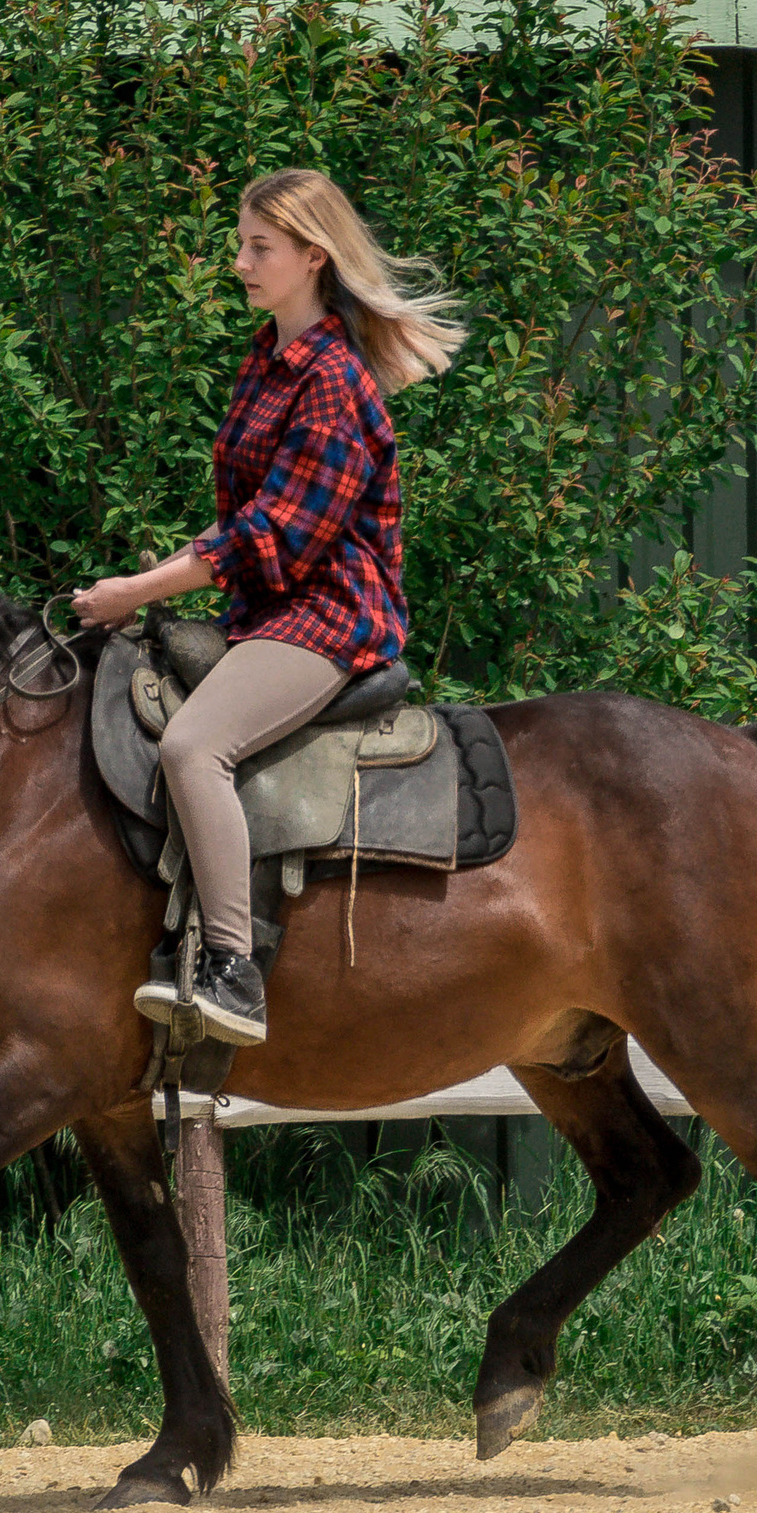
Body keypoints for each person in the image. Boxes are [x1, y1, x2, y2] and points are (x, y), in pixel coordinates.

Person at [72, 168, 464, 1046]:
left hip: (329, 615)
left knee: (192, 744)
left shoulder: (332, 379)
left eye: (260, 247)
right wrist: (146, 587)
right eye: (241, 243)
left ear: (312, 257)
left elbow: (272, 539)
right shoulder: (269, 358)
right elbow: (238, 525)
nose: (240, 260)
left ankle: (231, 970)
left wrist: (137, 591)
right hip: (268, 608)